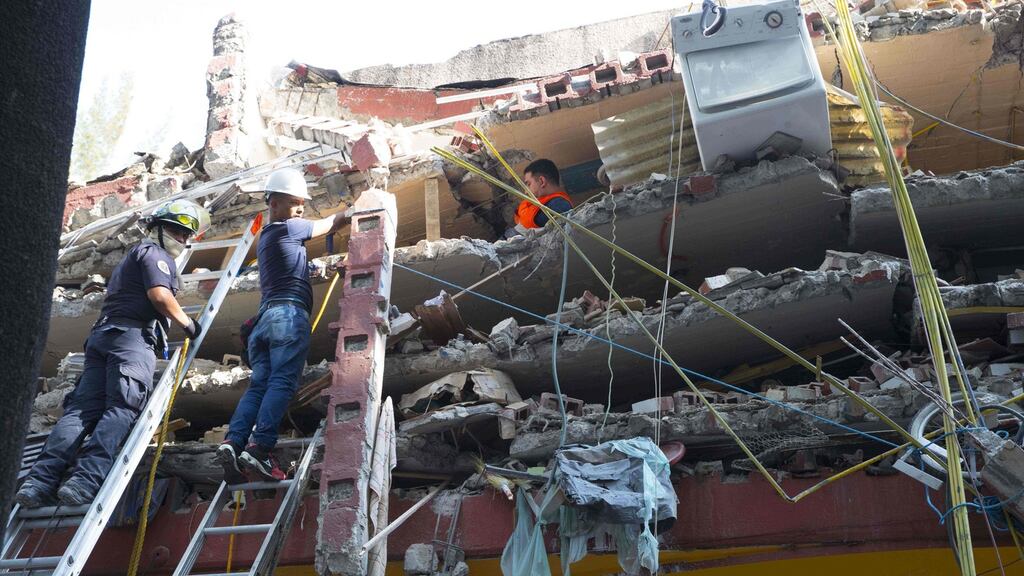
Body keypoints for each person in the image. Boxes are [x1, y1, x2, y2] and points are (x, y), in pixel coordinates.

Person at [16, 200, 209, 507]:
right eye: (177, 231)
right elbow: (159, 296)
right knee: (122, 408)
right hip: (130, 340)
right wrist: (189, 324)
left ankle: (39, 481)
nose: (182, 240)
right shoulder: (154, 253)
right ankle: (84, 480)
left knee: (81, 412)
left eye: (187, 235)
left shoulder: (133, 258)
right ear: (157, 229)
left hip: (103, 337)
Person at [218, 168, 349, 482]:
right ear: (273, 203)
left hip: (264, 323)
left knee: (259, 387)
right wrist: (352, 212)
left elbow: (294, 269)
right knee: (281, 384)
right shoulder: (289, 228)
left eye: (301, 203)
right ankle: (260, 448)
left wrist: (316, 269)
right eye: (293, 202)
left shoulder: (268, 241)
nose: (300, 208)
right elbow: (329, 223)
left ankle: (234, 443)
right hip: (286, 319)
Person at [507, 158, 574, 237]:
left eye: (529, 184)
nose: (526, 192)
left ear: (542, 181)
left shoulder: (559, 205)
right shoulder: (543, 203)